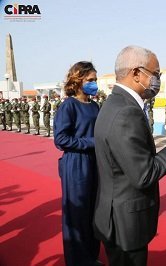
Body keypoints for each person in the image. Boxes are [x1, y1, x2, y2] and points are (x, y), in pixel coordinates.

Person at [93, 45, 166, 266]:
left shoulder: (114, 103)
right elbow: (143, 174)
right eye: (155, 74)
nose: (158, 79)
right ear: (136, 73)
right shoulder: (126, 112)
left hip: (115, 217)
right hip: (125, 223)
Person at [53, 61, 101, 266]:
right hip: (76, 164)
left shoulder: (95, 105)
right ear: (78, 79)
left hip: (95, 163)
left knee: (93, 212)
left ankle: (92, 257)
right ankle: (77, 261)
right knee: (77, 214)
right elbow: (61, 139)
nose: (94, 84)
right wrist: (91, 142)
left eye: (95, 80)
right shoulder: (68, 105)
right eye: (90, 80)